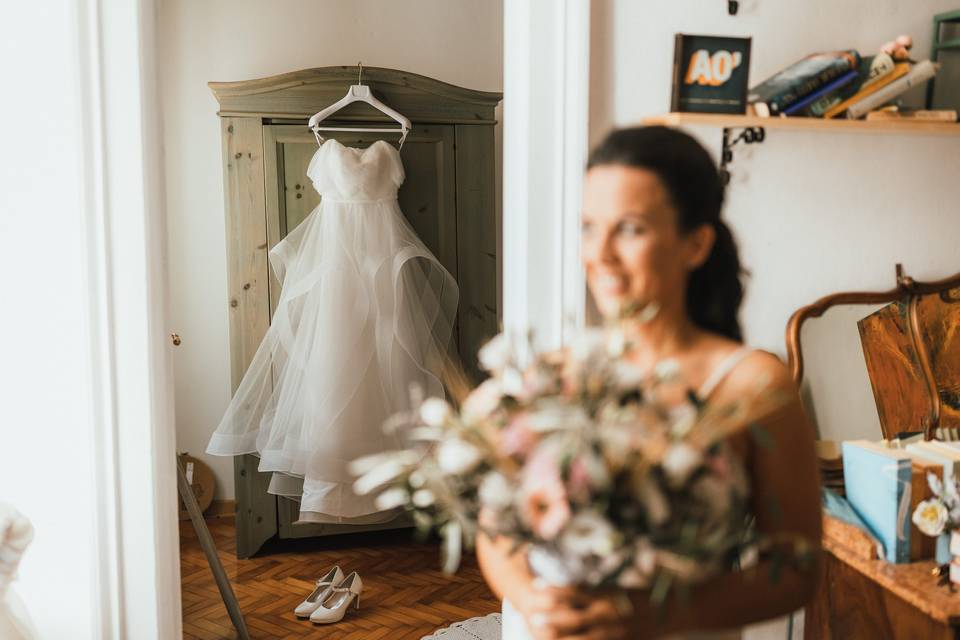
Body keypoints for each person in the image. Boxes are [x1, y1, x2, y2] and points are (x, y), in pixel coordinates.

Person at [476, 126, 822, 639]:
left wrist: (643, 614)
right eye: (589, 227)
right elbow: (496, 535)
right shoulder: (550, 376)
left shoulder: (754, 386)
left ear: (696, 243)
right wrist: (531, 598)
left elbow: (797, 571)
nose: (601, 254)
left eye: (630, 229)